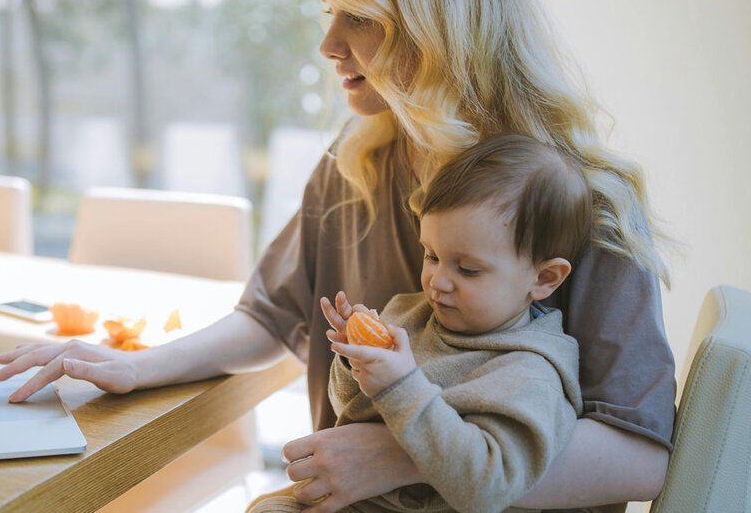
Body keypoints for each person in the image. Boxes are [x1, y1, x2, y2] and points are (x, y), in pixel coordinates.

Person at [0, 0, 676, 510]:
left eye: (361, 18)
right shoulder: (357, 160)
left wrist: (400, 457)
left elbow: (640, 453)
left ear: (438, 22)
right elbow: (272, 315)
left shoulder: (582, 199)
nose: (328, 46)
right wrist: (138, 366)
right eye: (328, 12)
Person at [249, 134, 590, 513]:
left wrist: (401, 387)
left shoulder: (531, 372)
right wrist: (357, 363)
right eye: (431, 255)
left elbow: (488, 487)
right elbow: (349, 411)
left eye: (468, 269)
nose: (437, 282)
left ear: (544, 279)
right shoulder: (410, 315)